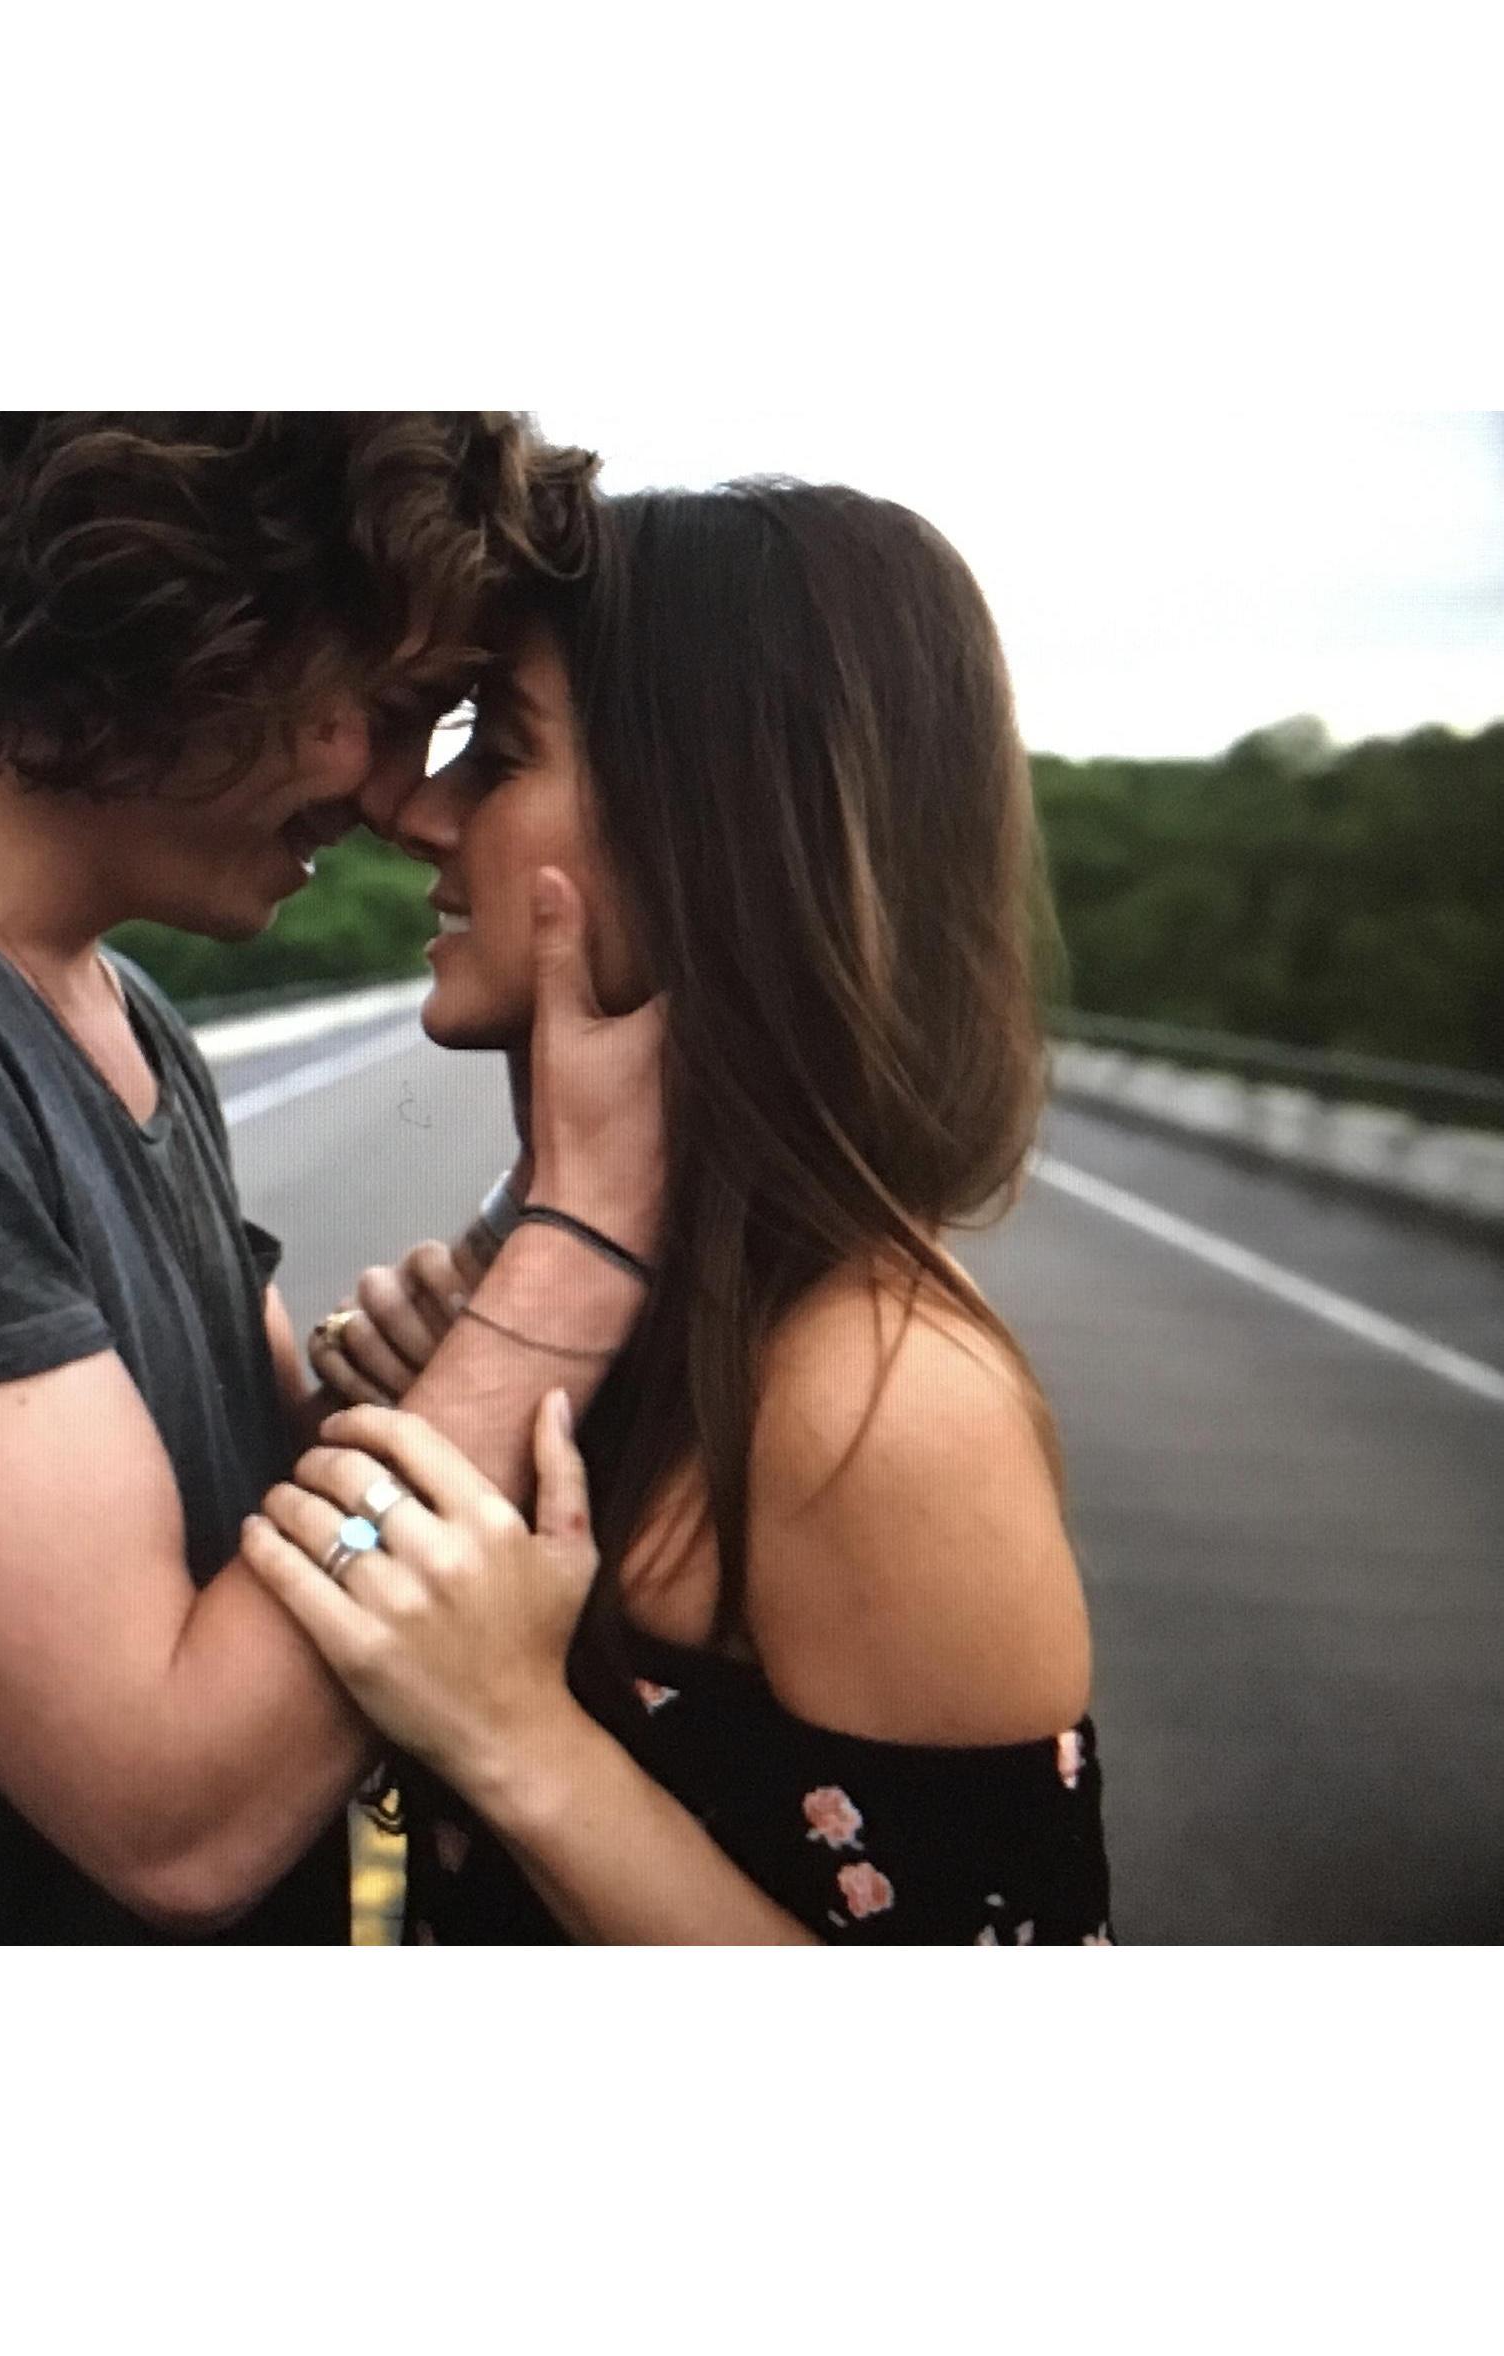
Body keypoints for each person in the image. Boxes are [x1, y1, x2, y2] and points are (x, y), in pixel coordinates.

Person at [0, 410, 678, 1942]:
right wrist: (586, 1233)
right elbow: (181, 1809)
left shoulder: (103, 1003)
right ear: (187, 618)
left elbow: (267, 1536)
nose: (395, 797)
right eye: (389, 708)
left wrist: (464, 1321)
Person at [241, 480, 1118, 1944]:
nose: (415, 808)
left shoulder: (876, 1396)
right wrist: (432, 1423)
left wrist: (512, 1730)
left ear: (710, 831)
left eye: (502, 749)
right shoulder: (625, 1307)